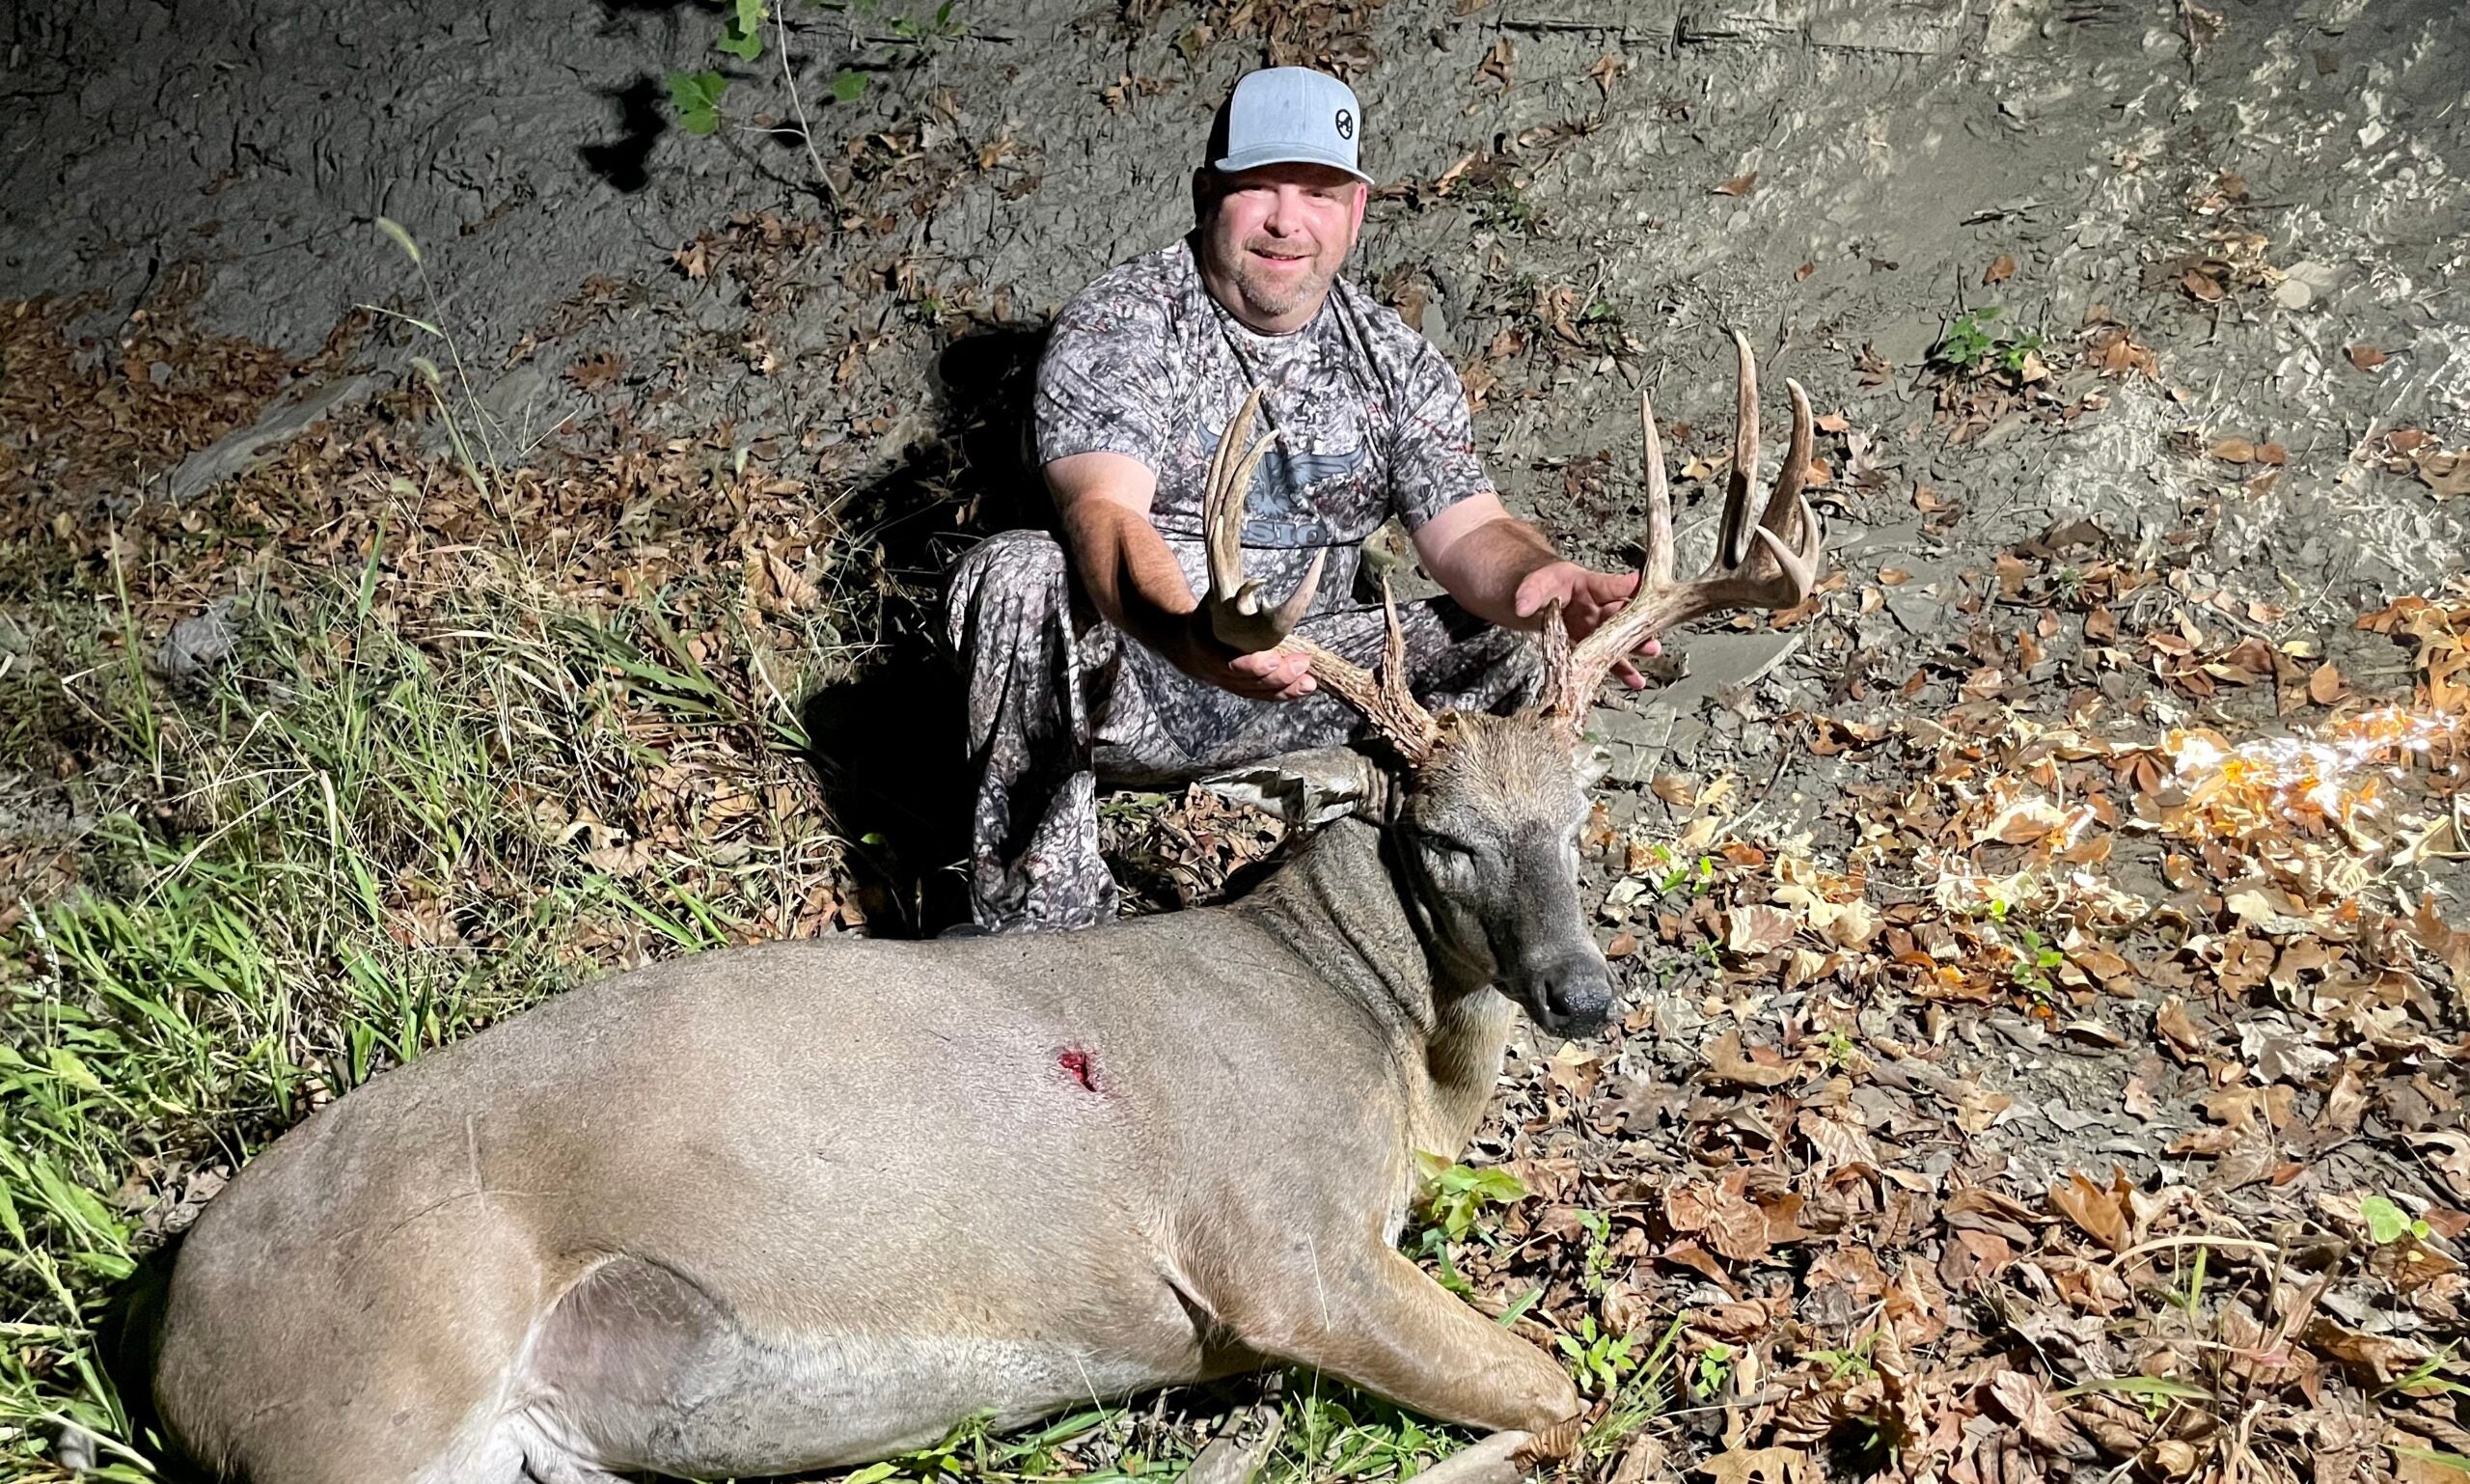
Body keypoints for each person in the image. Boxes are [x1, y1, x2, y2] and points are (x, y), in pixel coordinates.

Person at [943, 66, 1657, 933]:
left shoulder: (1394, 362)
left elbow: (1470, 528)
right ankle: (1039, 924)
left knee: (1515, 638)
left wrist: (1545, 585)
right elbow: (1107, 514)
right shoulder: (1124, 322)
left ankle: (1458, 912)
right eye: (1259, 189)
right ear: (1208, 194)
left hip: (1309, 682)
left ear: (1354, 212)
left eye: (1318, 192)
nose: (1288, 220)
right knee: (1017, 575)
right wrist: (1192, 633)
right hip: (1137, 676)